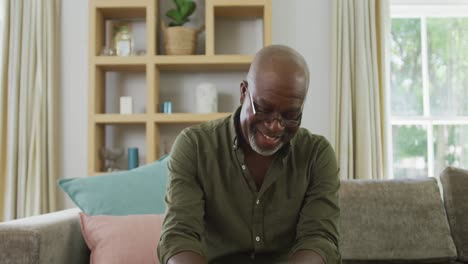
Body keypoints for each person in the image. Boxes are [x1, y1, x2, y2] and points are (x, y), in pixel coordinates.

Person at [157, 45, 341, 264]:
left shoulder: (317, 155)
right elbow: (180, 236)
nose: (275, 126)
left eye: (290, 115)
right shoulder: (195, 146)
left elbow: (319, 239)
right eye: (264, 109)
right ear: (244, 92)